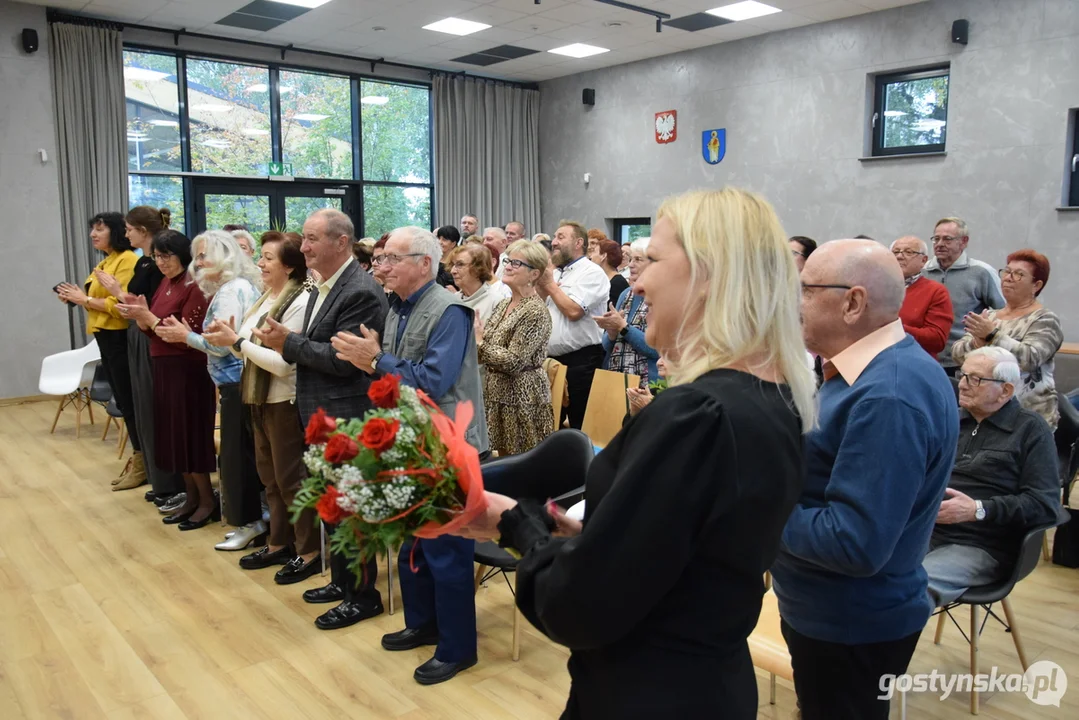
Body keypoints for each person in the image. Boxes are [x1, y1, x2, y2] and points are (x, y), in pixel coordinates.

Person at [452, 187, 816, 718]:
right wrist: (597, 534)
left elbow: (583, 607)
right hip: (708, 682)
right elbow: (689, 551)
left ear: (709, 273)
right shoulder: (772, 397)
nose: (637, 280)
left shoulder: (695, 416)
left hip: (647, 690)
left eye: (654, 261)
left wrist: (516, 524)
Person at [771, 239, 959, 720]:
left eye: (806, 290)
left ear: (852, 303)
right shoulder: (867, 373)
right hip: (833, 615)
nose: (795, 303)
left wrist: (758, 507)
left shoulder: (887, 395)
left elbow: (855, 544)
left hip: (849, 625)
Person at [331, 225, 489, 686]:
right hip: (410, 438)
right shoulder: (398, 307)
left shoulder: (450, 311)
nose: (381, 267)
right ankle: (423, 623)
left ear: (424, 263)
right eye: (380, 259)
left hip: (449, 445)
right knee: (413, 543)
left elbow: (433, 381)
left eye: (391, 259)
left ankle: (458, 648)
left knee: (447, 550)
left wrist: (376, 360)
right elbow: (398, 377)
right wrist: (372, 363)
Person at [251, 208, 389, 629]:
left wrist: (286, 342)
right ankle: (343, 582)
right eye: (305, 238)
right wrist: (290, 342)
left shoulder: (359, 291)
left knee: (353, 509)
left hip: (348, 416)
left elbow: (345, 360)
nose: (304, 247)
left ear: (341, 242)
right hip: (320, 414)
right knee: (334, 505)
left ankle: (363, 596)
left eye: (312, 239)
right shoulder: (320, 285)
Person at [204, 232, 320, 581]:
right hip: (258, 397)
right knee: (270, 478)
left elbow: (285, 363)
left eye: (268, 258)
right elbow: (249, 348)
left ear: (289, 265)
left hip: (284, 399)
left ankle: (310, 550)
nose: (260, 264)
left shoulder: (300, 301)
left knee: (291, 481)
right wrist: (231, 338)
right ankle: (279, 541)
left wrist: (237, 341)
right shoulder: (268, 297)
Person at [923, 347, 1060, 605]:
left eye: (974, 379)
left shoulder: (1030, 430)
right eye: (963, 375)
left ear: (1006, 391)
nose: (962, 385)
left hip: (982, 545)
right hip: (925, 532)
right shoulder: (949, 420)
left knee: (905, 590)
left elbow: (1045, 505)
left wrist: (977, 509)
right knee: (860, 568)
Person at [155, 230, 262, 546]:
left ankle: (248, 524)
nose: (197, 262)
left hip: (234, 382)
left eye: (203, 255)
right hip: (235, 381)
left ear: (224, 256)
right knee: (237, 457)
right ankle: (249, 522)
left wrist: (184, 336)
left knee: (236, 460)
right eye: (197, 256)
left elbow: (223, 346)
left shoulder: (231, 291)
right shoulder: (235, 287)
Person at [117, 230, 219, 531]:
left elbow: (189, 337)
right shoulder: (165, 284)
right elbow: (157, 327)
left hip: (189, 369)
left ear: (182, 256)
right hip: (163, 366)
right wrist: (142, 318)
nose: (161, 262)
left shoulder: (194, 286)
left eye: (167, 256)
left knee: (190, 438)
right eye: (157, 257)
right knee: (174, 437)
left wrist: (149, 320)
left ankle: (206, 502)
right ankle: (191, 498)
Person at [94, 206, 185, 506]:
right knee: (142, 406)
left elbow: (155, 307)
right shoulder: (145, 263)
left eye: (130, 229)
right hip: (139, 332)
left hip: (150, 334)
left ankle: (168, 481)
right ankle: (155, 474)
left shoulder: (154, 267)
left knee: (152, 406)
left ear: (143, 231)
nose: (127, 233)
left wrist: (118, 293)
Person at [56, 212, 143, 490]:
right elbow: (97, 299)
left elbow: (123, 306)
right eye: (92, 229)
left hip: (119, 337)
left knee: (128, 401)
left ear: (117, 232)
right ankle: (139, 457)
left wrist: (86, 299)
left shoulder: (128, 260)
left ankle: (142, 461)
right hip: (104, 336)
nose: (93, 234)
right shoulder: (105, 262)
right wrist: (76, 298)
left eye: (100, 229)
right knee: (122, 398)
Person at [952, 249, 1063, 430]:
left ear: (1036, 285)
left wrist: (992, 336)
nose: (1008, 278)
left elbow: (1030, 358)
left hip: (1028, 417)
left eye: (1019, 275)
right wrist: (976, 343)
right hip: (982, 413)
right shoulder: (990, 315)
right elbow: (957, 353)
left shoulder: (1045, 319)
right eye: (1007, 272)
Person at [473, 240, 553, 456]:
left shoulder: (535, 311)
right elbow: (486, 350)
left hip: (523, 399)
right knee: (502, 464)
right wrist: (479, 342)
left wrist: (479, 342)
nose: (507, 266)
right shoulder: (504, 304)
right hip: (497, 395)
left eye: (516, 263)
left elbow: (513, 361)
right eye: (508, 260)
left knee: (523, 467)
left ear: (534, 274)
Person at [539, 221, 610, 429]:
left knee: (580, 425)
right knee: (549, 425)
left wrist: (549, 285)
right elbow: (543, 305)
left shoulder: (592, 273)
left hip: (581, 361)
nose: (554, 242)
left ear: (579, 242)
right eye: (554, 237)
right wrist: (546, 283)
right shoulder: (559, 273)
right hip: (551, 361)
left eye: (561, 237)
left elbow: (573, 311)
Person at [923, 217, 1004, 372]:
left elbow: (1003, 312)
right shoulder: (923, 272)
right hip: (927, 359)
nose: (939, 244)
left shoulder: (981, 272)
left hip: (966, 359)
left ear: (964, 242)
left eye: (947, 239)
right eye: (936, 238)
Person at [595, 237, 659, 386]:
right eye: (630, 259)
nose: (630, 265)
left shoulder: (661, 295)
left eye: (638, 259)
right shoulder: (626, 294)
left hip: (648, 383)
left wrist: (623, 328)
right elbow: (607, 346)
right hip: (618, 379)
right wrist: (611, 332)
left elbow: (656, 349)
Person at [891, 235, 953, 357]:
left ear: (923, 260)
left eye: (908, 252)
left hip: (914, 362)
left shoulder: (936, 291)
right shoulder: (877, 286)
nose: (899, 256)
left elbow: (937, 340)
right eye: (895, 252)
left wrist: (894, 329)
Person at [446, 244, 501, 323]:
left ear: (478, 268)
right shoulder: (452, 300)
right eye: (453, 265)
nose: (452, 271)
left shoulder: (496, 302)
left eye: (460, 264)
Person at [588, 237, 630, 310]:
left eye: (594, 252)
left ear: (603, 256)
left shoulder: (617, 283)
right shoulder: (602, 279)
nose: (590, 256)